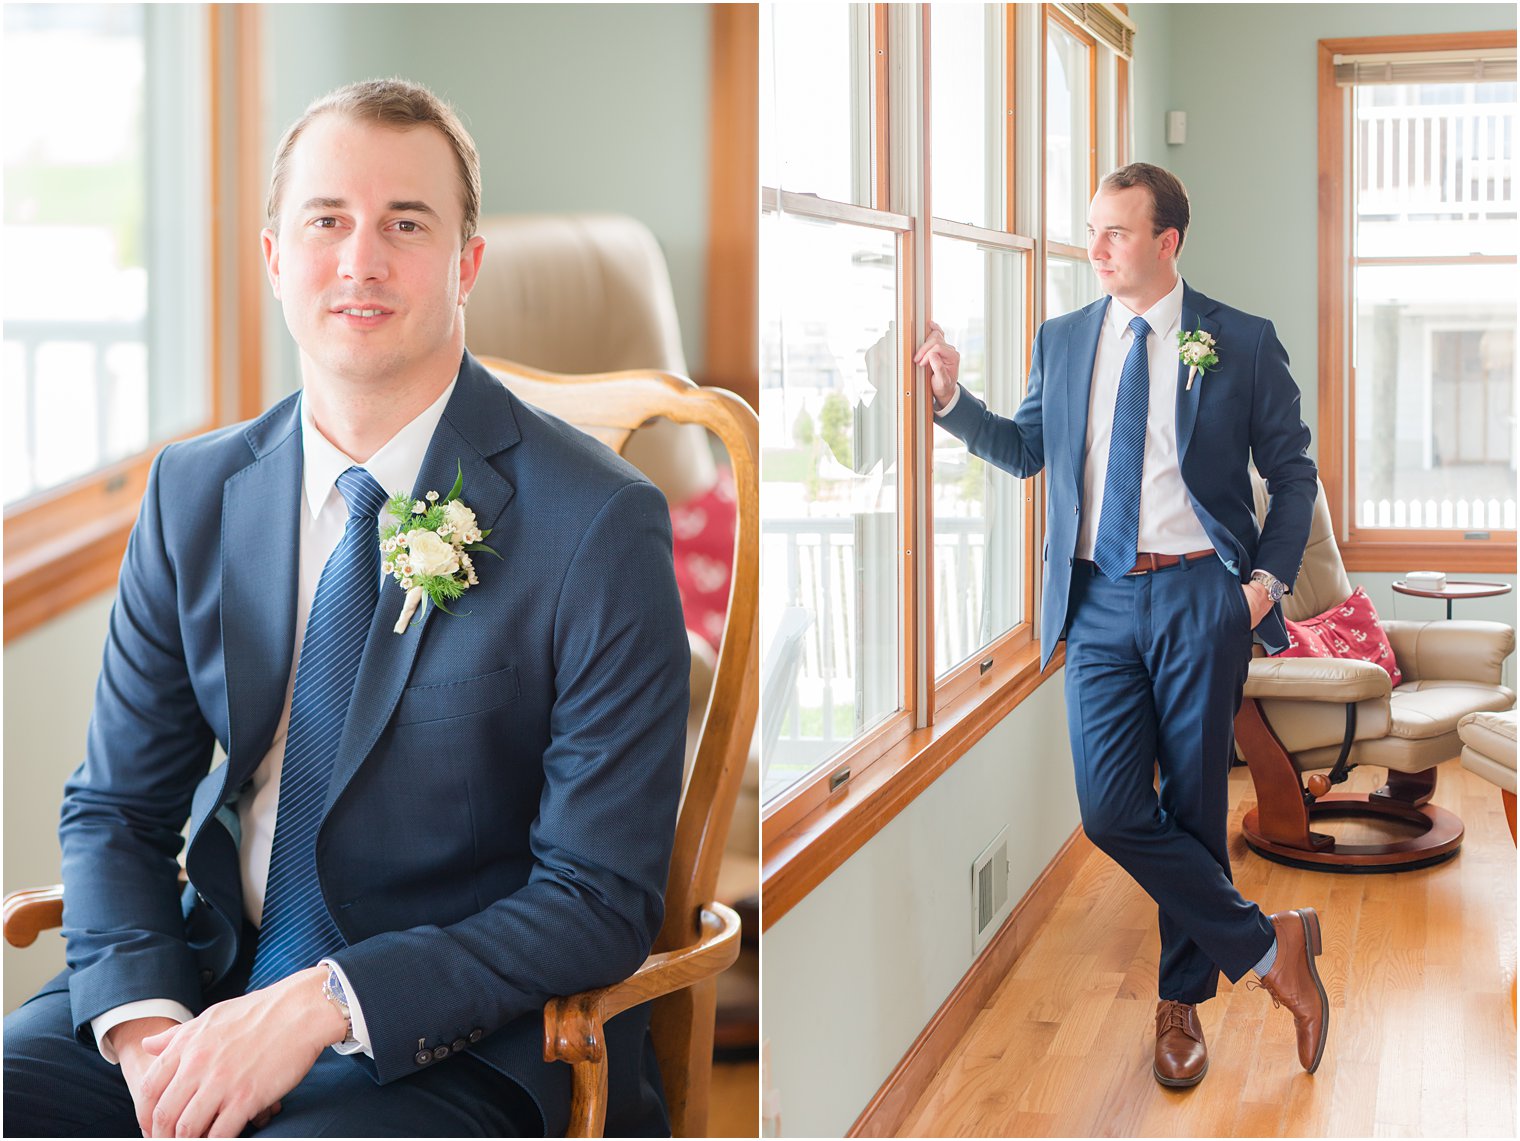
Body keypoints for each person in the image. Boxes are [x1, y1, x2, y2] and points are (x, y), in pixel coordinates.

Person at [4, 79, 689, 1137]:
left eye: (403, 224)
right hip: (202, 980)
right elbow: (115, 810)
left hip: (453, 1037)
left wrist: (326, 1005)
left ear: (466, 263)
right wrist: (149, 1040)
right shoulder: (192, 492)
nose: (359, 259)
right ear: (276, 256)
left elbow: (596, 894)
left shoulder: (600, 522)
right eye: (326, 220)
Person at [915, 163, 1329, 1089]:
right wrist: (951, 402)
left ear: (1166, 242)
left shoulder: (1242, 341)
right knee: (1109, 810)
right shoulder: (1063, 340)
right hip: (1097, 599)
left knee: (1190, 806)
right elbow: (1028, 451)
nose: (1094, 248)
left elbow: (1294, 474)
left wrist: (1261, 584)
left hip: (1201, 598)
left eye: (1115, 233)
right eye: (1092, 230)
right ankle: (1272, 948)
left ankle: (1179, 1005)